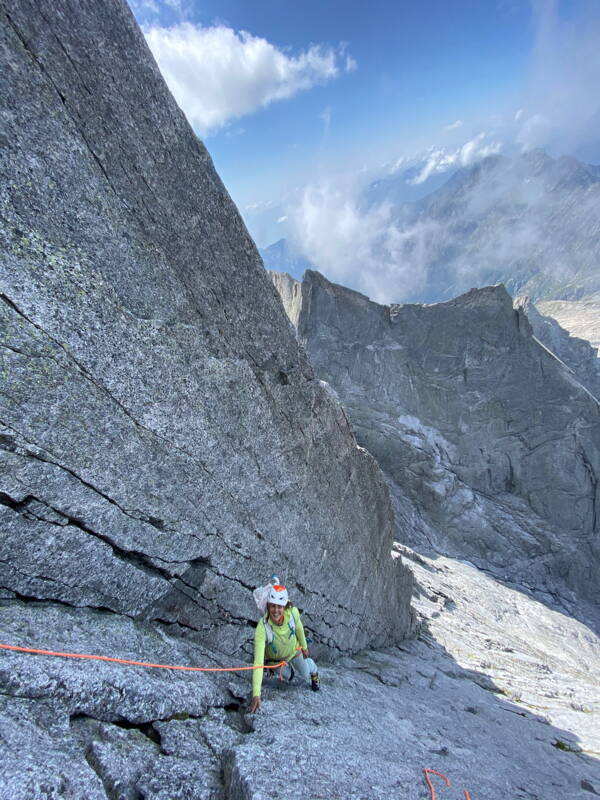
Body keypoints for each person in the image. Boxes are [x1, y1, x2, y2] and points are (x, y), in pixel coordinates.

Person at [248, 581, 320, 713]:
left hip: (293, 651)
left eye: (279, 606)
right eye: (272, 606)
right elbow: (258, 662)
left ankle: (314, 671)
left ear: (285, 606)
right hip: (275, 660)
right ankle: (279, 669)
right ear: (268, 606)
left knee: (305, 674)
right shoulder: (262, 628)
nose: (276, 610)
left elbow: (299, 628)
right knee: (288, 677)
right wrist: (256, 694)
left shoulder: (293, 613)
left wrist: (304, 647)